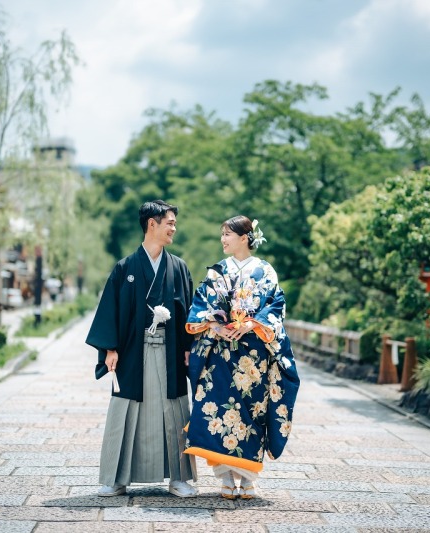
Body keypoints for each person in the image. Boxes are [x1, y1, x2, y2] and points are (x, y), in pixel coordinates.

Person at [86, 200, 198, 498]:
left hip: (170, 352)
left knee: (174, 411)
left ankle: (179, 478)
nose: (173, 229)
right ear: (152, 224)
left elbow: (189, 312)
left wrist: (189, 347)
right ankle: (116, 478)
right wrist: (109, 349)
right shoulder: (125, 267)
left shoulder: (178, 268)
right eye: (170, 223)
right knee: (124, 410)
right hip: (133, 351)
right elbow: (111, 309)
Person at [184, 215, 300, 499]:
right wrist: (215, 326)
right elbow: (201, 304)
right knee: (218, 409)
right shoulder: (217, 271)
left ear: (245, 237)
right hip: (221, 354)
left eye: (227, 234)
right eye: (222, 234)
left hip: (253, 356)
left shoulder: (265, 270)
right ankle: (225, 477)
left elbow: (276, 304)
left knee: (252, 412)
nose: (223, 239)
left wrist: (250, 324)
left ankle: (248, 478)